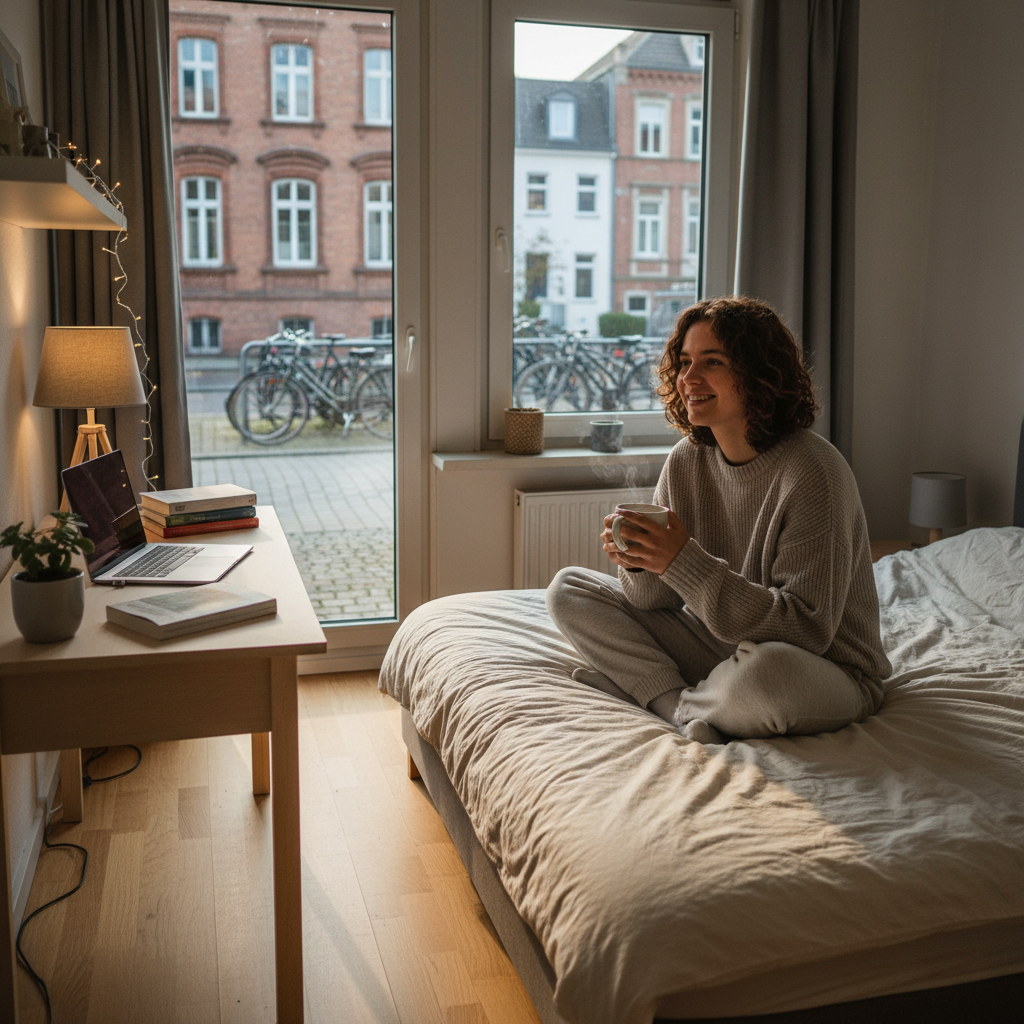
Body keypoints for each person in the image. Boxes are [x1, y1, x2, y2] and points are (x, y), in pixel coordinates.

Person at [546, 296, 891, 744]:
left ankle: (660, 698)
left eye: (712, 362)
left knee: (768, 675)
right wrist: (641, 563)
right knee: (569, 589)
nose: (689, 378)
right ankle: (679, 705)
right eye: (684, 362)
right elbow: (653, 601)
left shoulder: (814, 472)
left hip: (822, 668)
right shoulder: (686, 461)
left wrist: (683, 561)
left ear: (760, 374)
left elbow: (807, 631)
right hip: (723, 643)